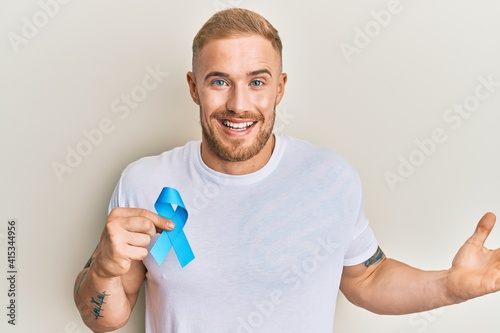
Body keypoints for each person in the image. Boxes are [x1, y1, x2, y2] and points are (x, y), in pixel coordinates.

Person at [73, 8, 500, 333]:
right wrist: (103, 270)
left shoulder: (330, 177)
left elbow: (367, 277)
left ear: (279, 88)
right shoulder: (145, 182)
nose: (239, 104)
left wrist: (449, 286)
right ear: (193, 87)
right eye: (219, 81)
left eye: (257, 81)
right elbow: (106, 318)